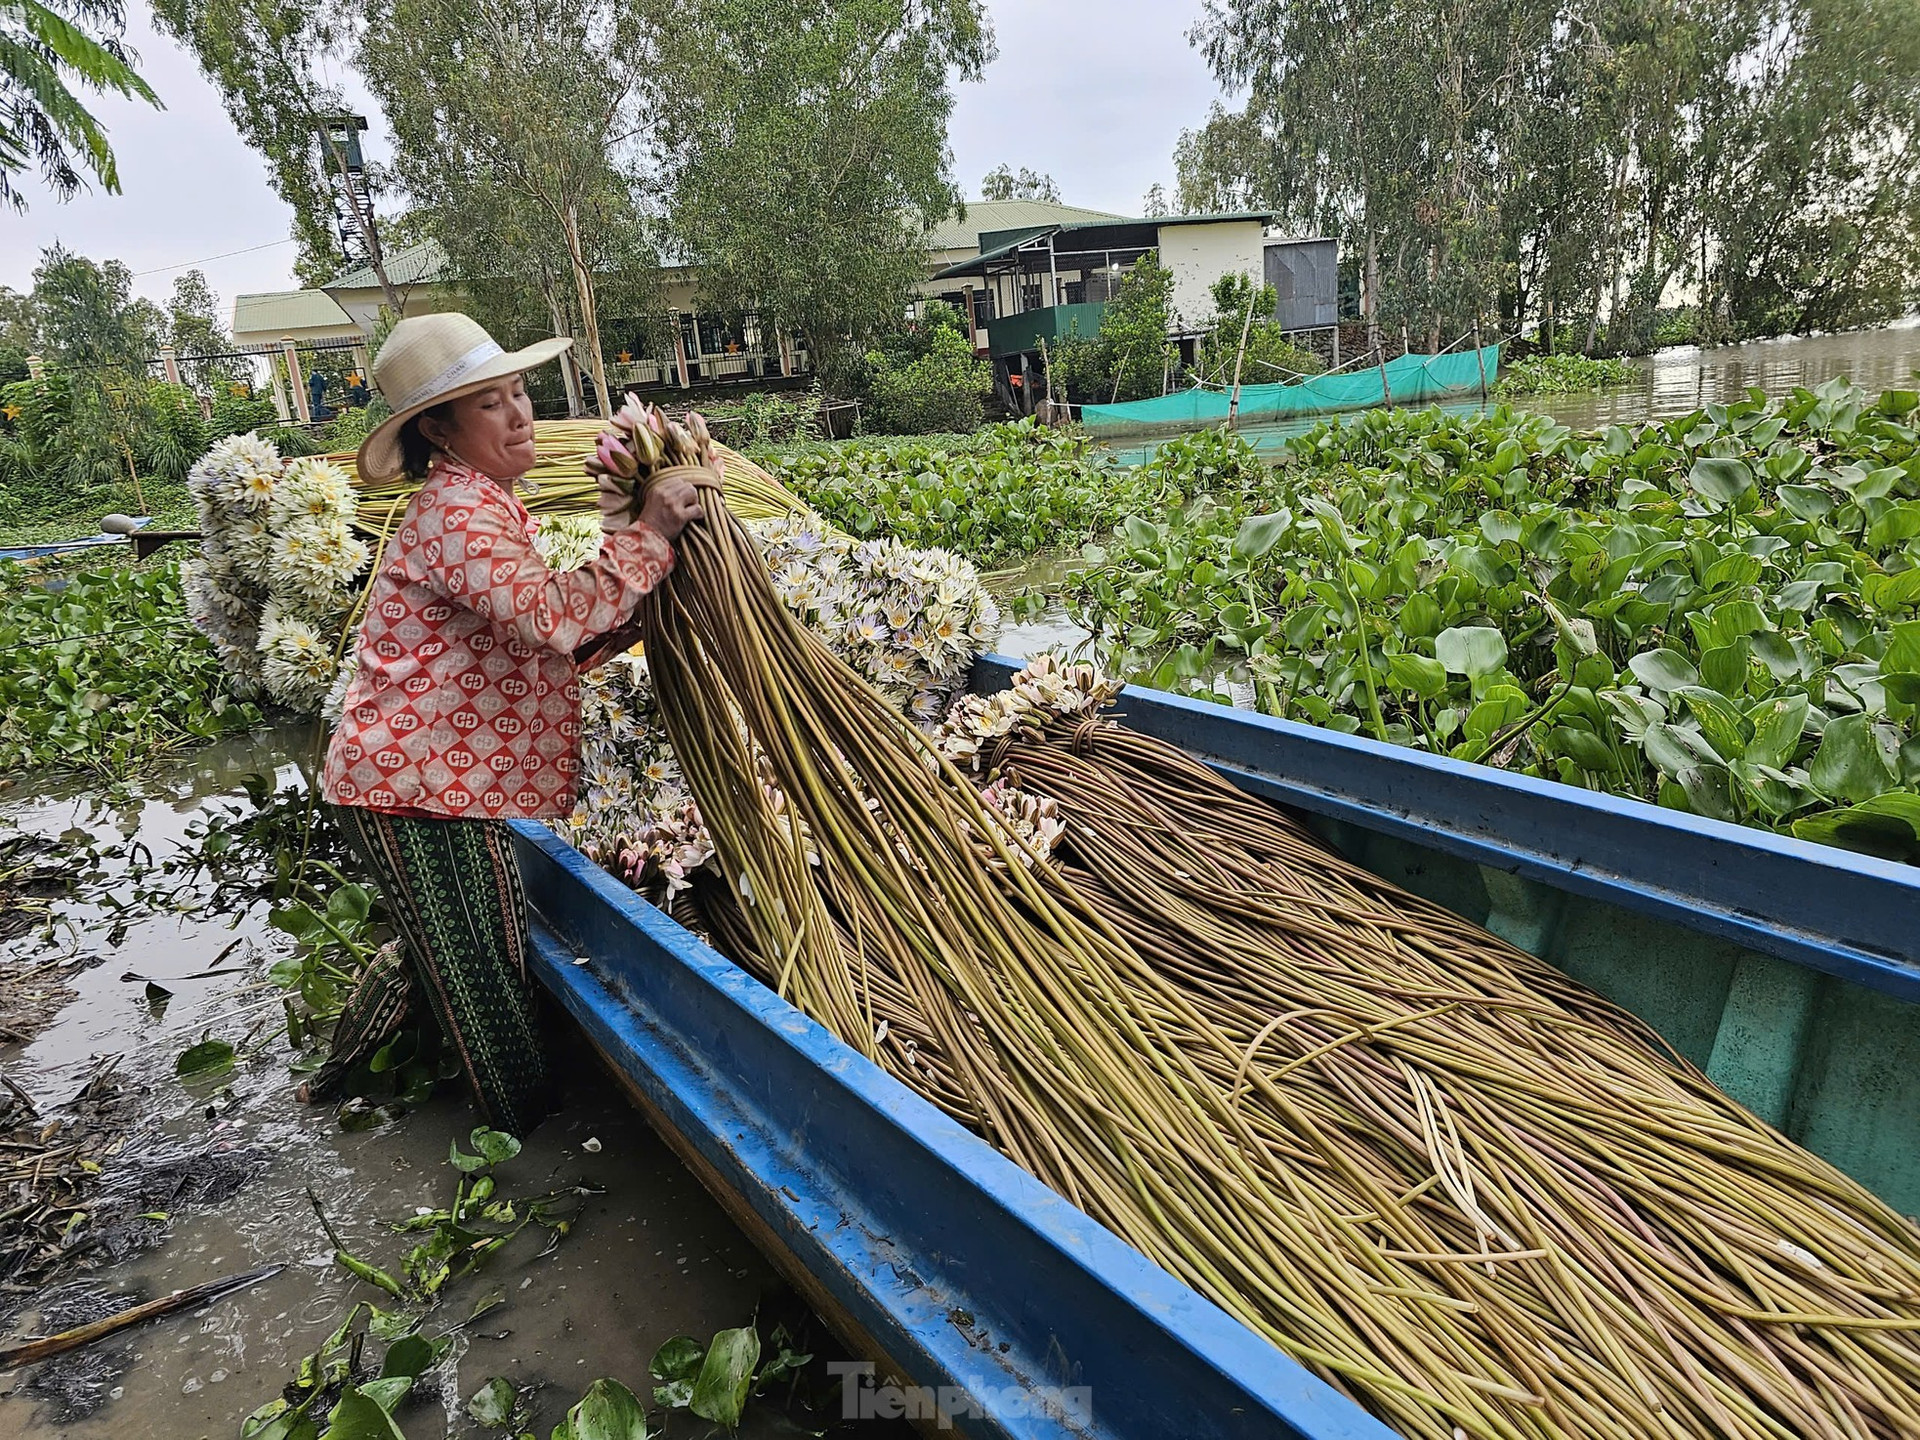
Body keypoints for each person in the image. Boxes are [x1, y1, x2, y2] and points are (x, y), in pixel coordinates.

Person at [312, 312, 704, 1134]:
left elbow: (539, 645)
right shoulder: (455, 512)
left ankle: (327, 1089)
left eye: (519, 391)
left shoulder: (485, 503)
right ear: (439, 430)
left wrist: (640, 593)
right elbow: (550, 615)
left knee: (444, 949)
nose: (521, 414)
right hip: (415, 788)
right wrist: (650, 535)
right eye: (491, 403)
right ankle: (526, 1136)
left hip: (428, 783)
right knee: (483, 970)